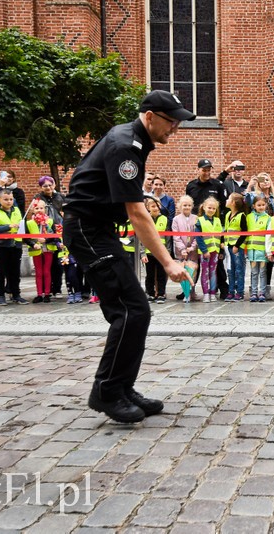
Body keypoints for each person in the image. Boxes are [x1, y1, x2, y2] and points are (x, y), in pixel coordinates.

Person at [61, 89, 192, 423]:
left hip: (98, 230)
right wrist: (168, 261)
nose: (175, 128)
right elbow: (137, 213)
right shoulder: (125, 146)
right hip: (88, 232)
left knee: (136, 311)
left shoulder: (134, 141)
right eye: (171, 121)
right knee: (130, 310)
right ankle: (107, 392)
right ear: (149, 117)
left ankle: (121, 387)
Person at [185, 159, 229, 300]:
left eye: (209, 170)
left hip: (215, 227)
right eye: (204, 170)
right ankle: (189, 289)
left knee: (217, 266)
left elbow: (223, 205)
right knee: (195, 261)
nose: (206, 172)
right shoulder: (191, 186)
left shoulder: (217, 185)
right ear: (198, 170)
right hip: (198, 225)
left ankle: (222, 289)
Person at [0, 189, 27, 306]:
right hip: (1, 246)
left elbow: (22, 226)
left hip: (16, 245)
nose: (9, 202)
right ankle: (0, 295)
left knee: (15, 272)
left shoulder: (16, 210)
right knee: (1, 272)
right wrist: (8, 227)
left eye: (11, 199)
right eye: (6, 199)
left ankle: (16, 294)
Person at [24, 199, 58, 303]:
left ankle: (47, 293)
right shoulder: (29, 223)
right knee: (38, 272)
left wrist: (46, 239)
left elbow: (55, 235)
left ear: (45, 209)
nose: (39, 210)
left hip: (48, 248)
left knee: (47, 271)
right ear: (33, 210)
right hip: (36, 249)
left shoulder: (50, 221)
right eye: (37, 208)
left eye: (41, 208)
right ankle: (39, 293)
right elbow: (25, 237)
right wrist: (33, 244)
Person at [195, 197, 223, 303]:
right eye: (209, 208)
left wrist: (221, 251)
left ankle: (212, 293)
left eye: (213, 208)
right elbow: (198, 237)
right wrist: (204, 250)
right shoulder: (200, 221)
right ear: (204, 207)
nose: (211, 210)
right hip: (205, 251)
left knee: (213, 272)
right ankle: (206, 293)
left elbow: (221, 236)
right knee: (205, 272)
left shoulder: (217, 220)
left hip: (215, 250)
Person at [143, 196, 170, 303]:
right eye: (153, 206)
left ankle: (161, 294)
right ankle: (149, 293)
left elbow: (168, 238)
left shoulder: (165, 219)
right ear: (148, 207)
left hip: (161, 252)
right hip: (148, 252)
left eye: (157, 206)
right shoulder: (145, 219)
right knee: (149, 275)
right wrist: (142, 253)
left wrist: (167, 252)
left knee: (161, 274)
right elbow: (141, 238)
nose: (155, 208)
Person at [172, 195, 199, 302]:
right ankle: (186, 292)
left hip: (193, 251)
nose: (186, 207)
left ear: (192, 206)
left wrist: (192, 248)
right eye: (184, 205)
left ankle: (192, 291)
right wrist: (182, 249)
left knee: (193, 271)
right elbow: (176, 236)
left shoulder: (196, 218)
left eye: (188, 205)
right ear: (180, 206)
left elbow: (198, 235)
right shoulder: (176, 219)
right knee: (183, 272)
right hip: (180, 251)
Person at [246, 195, 271, 302]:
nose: (261, 207)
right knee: (253, 272)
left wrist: (267, 250)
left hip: (262, 250)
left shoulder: (268, 218)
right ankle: (254, 292)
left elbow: (269, 235)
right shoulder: (249, 217)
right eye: (258, 205)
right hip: (252, 250)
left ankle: (262, 292)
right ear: (254, 206)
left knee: (262, 272)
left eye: (263, 205)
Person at [224, 192, 247, 301]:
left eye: (228, 199)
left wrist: (237, 245)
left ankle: (240, 292)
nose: (226, 200)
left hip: (237, 247)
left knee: (239, 270)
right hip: (228, 246)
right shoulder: (228, 214)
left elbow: (244, 232)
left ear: (233, 203)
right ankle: (231, 291)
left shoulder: (241, 216)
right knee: (230, 270)